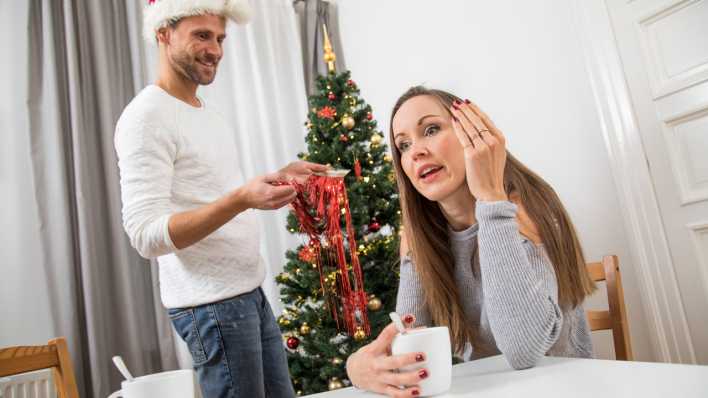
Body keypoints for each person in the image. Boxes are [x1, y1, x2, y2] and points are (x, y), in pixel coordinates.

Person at [114, 1, 325, 396]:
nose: (215, 49)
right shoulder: (145, 118)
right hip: (211, 306)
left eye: (220, 38)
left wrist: (277, 177)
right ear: (164, 34)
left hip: (248, 293)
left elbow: (210, 194)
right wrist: (243, 198)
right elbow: (146, 236)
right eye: (201, 35)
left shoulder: (203, 111)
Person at [345, 86, 596, 397]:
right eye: (404, 145)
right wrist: (356, 367)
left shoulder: (526, 210)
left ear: (473, 133)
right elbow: (407, 347)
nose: (416, 151)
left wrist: (491, 201)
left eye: (431, 129)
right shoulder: (418, 236)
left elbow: (524, 351)